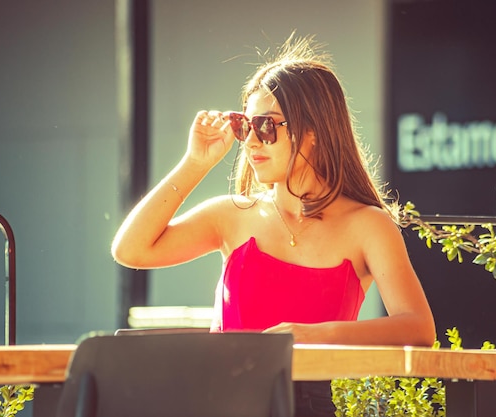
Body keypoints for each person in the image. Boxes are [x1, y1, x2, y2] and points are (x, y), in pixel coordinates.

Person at [111, 34, 435, 416]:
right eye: (244, 126)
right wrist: (195, 163)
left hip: (309, 406)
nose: (250, 142)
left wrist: (311, 335)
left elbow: (418, 328)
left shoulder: (367, 225)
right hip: (219, 401)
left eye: (265, 126)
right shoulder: (231, 214)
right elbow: (130, 250)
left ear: (312, 132)